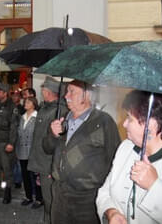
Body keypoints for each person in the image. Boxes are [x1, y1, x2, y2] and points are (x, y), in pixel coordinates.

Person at [96, 90, 162, 224]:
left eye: (129, 118)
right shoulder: (126, 147)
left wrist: (154, 186)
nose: (124, 124)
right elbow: (104, 191)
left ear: (152, 125)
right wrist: (111, 212)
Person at [43, 80, 121, 224]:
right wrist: (53, 134)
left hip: (87, 198)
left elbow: (116, 159)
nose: (66, 96)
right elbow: (47, 148)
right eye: (66, 91)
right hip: (60, 194)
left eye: (72, 91)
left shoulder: (103, 121)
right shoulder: (62, 119)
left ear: (86, 95)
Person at [27, 76, 68, 222]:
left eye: (43, 89)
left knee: (52, 202)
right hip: (42, 162)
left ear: (49, 92)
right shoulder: (46, 108)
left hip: (50, 165)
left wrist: (54, 167)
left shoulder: (60, 111)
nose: (42, 92)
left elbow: (60, 143)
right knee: (47, 201)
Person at [16, 97, 43, 207]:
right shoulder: (22, 117)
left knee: (35, 176)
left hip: (33, 151)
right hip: (22, 151)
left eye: (28, 102)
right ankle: (28, 196)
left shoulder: (38, 117)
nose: (25, 103)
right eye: (25, 102)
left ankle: (39, 198)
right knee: (25, 175)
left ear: (34, 104)